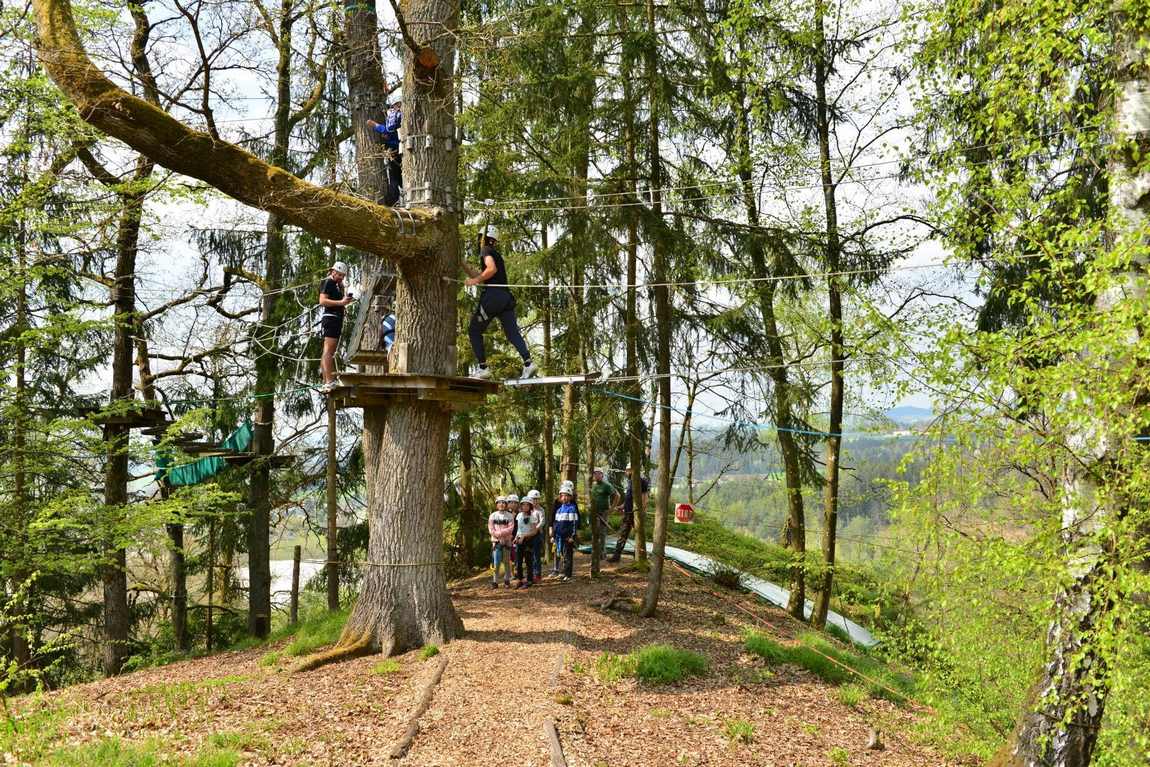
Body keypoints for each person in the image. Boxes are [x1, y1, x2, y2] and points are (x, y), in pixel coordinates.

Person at [462, 226, 537, 381]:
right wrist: (462, 264)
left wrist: (475, 281)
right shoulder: (494, 253)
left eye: (479, 237)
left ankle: (483, 368)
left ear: (483, 238)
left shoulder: (486, 250)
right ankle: (528, 363)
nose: (478, 241)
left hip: (493, 297)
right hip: (505, 298)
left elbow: (491, 270)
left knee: (474, 330)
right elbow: (483, 274)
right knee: (512, 333)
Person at [319, 261, 355, 389]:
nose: (341, 277)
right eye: (339, 275)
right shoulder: (328, 282)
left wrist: (344, 300)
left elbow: (339, 302)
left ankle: (326, 381)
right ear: (333, 272)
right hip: (331, 319)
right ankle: (329, 381)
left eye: (343, 276)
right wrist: (341, 302)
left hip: (335, 319)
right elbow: (322, 300)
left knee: (328, 351)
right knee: (329, 351)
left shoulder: (336, 284)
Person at [609, 468, 650, 563]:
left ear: (632, 470)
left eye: (627, 470)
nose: (626, 472)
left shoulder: (642, 481)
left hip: (636, 514)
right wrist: (622, 506)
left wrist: (640, 512)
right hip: (628, 513)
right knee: (623, 534)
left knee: (639, 535)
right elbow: (629, 498)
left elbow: (645, 497)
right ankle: (616, 555)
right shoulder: (630, 482)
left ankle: (640, 556)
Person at [366, 101, 403, 206]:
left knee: (394, 178)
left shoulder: (394, 119)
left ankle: (393, 199)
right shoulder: (400, 118)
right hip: (400, 152)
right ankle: (397, 197)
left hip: (394, 153)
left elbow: (386, 129)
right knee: (399, 178)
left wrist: (373, 124)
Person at [552, 481, 580, 582]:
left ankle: (568, 574)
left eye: (567, 496)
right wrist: (554, 535)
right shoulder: (559, 510)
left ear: (571, 497)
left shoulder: (572, 509)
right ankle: (563, 572)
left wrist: (572, 536)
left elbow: (574, 524)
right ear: (560, 497)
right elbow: (556, 524)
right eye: (563, 496)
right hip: (559, 537)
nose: (565, 498)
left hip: (568, 538)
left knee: (568, 556)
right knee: (562, 555)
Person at [588, 467, 620, 556]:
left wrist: (612, 509)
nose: (596, 475)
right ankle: (595, 551)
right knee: (594, 532)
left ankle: (602, 553)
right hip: (594, 513)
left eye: (599, 473)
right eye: (595, 473)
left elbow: (617, 495)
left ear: (602, 475)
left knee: (602, 533)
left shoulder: (606, 485)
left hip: (603, 512)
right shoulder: (593, 485)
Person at [488, 495, 515, 588]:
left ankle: (507, 580)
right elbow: (491, 529)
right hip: (496, 542)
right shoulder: (493, 516)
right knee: (496, 562)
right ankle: (495, 581)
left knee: (507, 561)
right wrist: (498, 536)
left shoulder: (510, 516)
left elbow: (510, 528)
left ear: (506, 505)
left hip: (507, 542)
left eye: (504, 503)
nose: (502, 504)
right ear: (496, 504)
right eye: (499, 502)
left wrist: (500, 534)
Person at [513, 497, 537, 589]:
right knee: (518, 561)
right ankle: (520, 579)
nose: (525, 506)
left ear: (530, 506)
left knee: (528, 561)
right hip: (519, 540)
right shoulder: (519, 515)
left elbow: (534, 531)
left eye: (527, 504)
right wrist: (516, 537)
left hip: (528, 541)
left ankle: (529, 580)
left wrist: (524, 536)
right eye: (523, 504)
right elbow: (518, 529)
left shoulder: (532, 517)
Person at [527, 489, 545, 583]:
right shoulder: (527, 510)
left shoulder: (540, 510)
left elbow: (542, 522)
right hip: (528, 535)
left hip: (537, 534)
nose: (535, 501)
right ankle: (530, 574)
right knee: (529, 555)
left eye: (537, 499)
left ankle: (537, 574)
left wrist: (535, 529)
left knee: (536, 555)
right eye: (533, 499)